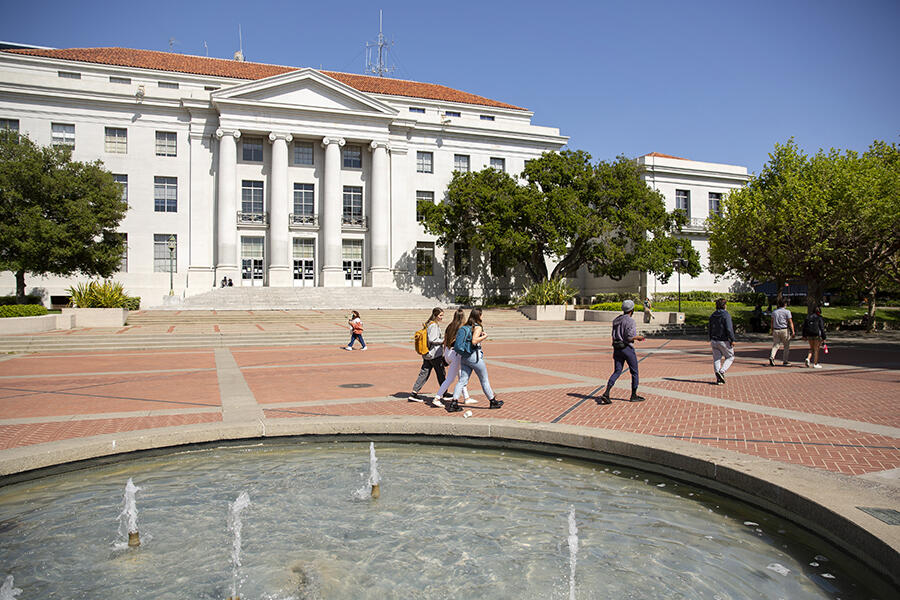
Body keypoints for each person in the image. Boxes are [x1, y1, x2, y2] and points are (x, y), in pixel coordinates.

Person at [448, 307, 502, 413]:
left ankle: (454, 403)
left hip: (464, 356)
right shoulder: (477, 327)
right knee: (484, 380)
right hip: (475, 357)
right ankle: (492, 401)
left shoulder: (466, 326)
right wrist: (484, 336)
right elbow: (474, 341)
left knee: (462, 381)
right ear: (479, 315)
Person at [597, 300, 646, 404]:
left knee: (617, 371)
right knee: (634, 371)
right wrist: (639, 338)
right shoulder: (630, 321)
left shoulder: (616, 320)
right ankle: (633, 395)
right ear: (632, 310)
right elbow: (629, 337)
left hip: (617, 348)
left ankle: (607, 392)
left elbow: (613, 335)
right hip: (627, 348)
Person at [432, 308, 472, 405]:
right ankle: (437, 398)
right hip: (455, 354)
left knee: (460, 376)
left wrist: (445, 353)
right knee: (451, 378)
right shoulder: (462, 327)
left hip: (448, 352)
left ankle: (466, 397)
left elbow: (445, 340)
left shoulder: (450, 326)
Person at [409, 308, 447, 407]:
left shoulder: (428, 323)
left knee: (424, 373)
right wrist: (443, 341)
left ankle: (414, 392)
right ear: (436, 315)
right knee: (441, 373)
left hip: (427, 353)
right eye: (440, 315)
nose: (442, 317)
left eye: (442, 315)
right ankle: (444, 392)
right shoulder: (433, 325)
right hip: (434, 354)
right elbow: (432, 339)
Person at [709, 298, 735, 385]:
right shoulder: (726, 315)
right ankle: (722, 371)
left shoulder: (712, 315)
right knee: (730, 357)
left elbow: (710, 327)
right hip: (723, 340)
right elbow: (729, 328)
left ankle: (718, 376)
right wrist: (732, 339)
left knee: (717, 358)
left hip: (714, 340)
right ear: (724, 305)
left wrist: (710, 337)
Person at [768, 298, 794, 366]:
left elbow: (772, 322)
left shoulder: (774, 312)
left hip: (776, 329)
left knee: (776, 345)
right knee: (786, 346)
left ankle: (772, 356)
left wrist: (771, 330)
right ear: (785, 304)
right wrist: (793, 331)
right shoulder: (787, 312)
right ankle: (785, 360)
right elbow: (790, 322)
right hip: (784, 329)